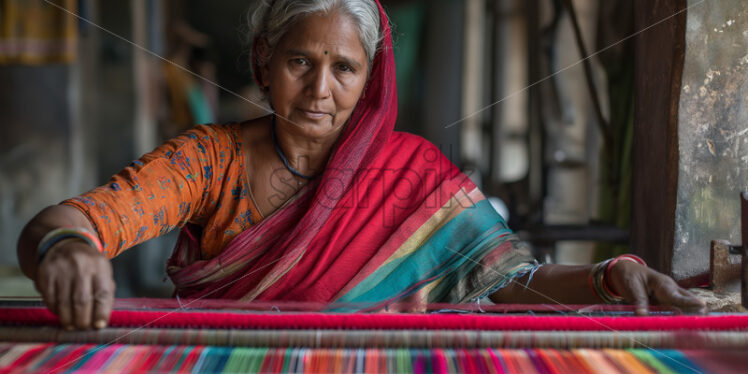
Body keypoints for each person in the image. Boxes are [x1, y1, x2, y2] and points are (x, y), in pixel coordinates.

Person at [17, 0, 704, 331]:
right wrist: (70, 246)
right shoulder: (208, 161)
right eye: (298, 63)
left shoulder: (416, 177)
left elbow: (509, 282)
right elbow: (64, 221)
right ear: (262, 62)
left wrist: (608, 276)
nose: (320, 91)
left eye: (343, 68)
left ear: (371, 77)